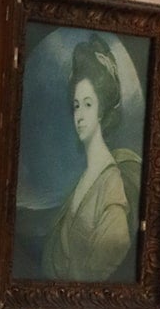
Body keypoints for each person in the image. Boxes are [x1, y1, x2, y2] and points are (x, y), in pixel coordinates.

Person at [41, 38, 142, 281]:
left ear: (102, 109)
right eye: (76, 105)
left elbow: (111, 254)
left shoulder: (111, 184)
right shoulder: (84, 179)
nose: (80, 115)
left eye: (88, 104)